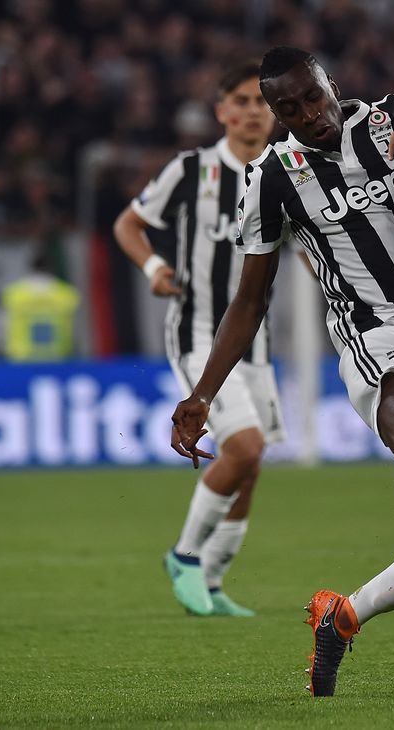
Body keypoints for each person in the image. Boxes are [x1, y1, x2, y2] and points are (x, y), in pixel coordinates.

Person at [169, 46, 394, 697]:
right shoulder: (271, 177)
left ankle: (344, 615)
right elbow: (250, 300)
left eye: (312, 96)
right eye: (289, 108)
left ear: (331, 83)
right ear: (275, 114)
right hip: (377, 338)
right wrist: (202, 393)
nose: (308, 114)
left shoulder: (393, 118)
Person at [114, 62, 281, 618]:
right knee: (245, 447)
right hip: (198, 334)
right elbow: (127, 226)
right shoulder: (191, 170)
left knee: (251, 465)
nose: (253, 110)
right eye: (241, 100)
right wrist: (155, 269)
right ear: (222, 112)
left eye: (262, 101)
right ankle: (185, 555)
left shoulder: (290, 172)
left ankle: (209, 583)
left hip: (254, 344)